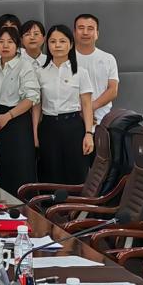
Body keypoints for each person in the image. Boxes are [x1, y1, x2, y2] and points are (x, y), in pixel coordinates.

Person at [36, 24, 95, 185]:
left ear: (70, 44)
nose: (57, 45)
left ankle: (76, 203)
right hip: (48, 127)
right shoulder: (40, 72)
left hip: (73, 127)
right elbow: (37, 106)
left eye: (62, 41)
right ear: (47, 45)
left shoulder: (80, 72)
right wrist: (35, 133)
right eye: (53, 41)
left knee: (76, 173)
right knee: (50, 173)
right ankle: (51, 203)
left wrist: (88, 134)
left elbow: (86, 105)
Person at [0, 26, 40, 194]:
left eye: (10, 42)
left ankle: (23, 207)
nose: (5, 46)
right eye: (1, 41)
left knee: (19, 168)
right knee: (0, 167)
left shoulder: (24, 65)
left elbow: (32, 98)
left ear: (17, 45)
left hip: (17, 120)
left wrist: (8, 116)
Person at [73, 14, 120, 125]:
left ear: (97, 34)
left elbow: (113, 89)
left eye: (90, 28)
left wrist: (90, 108)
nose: (85, 32)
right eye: (81, 28)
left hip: (103, 120)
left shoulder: (108, 58)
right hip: (73, 118)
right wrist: (81, 111)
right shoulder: (65, 58)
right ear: (74, 32)